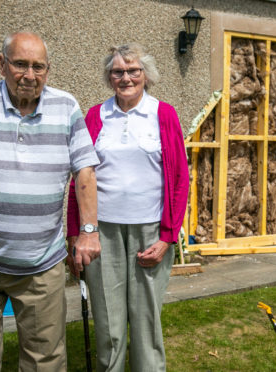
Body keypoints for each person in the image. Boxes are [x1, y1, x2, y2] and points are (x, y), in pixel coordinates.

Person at [0, 31, 101, 371]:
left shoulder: (66, 106)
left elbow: (84, 173)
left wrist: (88, 231)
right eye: (21, 64)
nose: (30, 75)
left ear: (48, 69)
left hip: (41, 263)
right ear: (2, 64)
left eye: (38, 66)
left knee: (46, 360)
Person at [66, 43, 189, 372]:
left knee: (146, 320)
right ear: (109, 78)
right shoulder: (95, 115)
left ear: (145, 75)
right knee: (108, 320)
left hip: (149, 232)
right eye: (118, 72)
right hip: (100, 233)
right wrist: (76, 233)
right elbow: (80, 176)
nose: (126, 77)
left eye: (133, 70)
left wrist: (167, 236)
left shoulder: (163, 114)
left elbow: (179, 179)